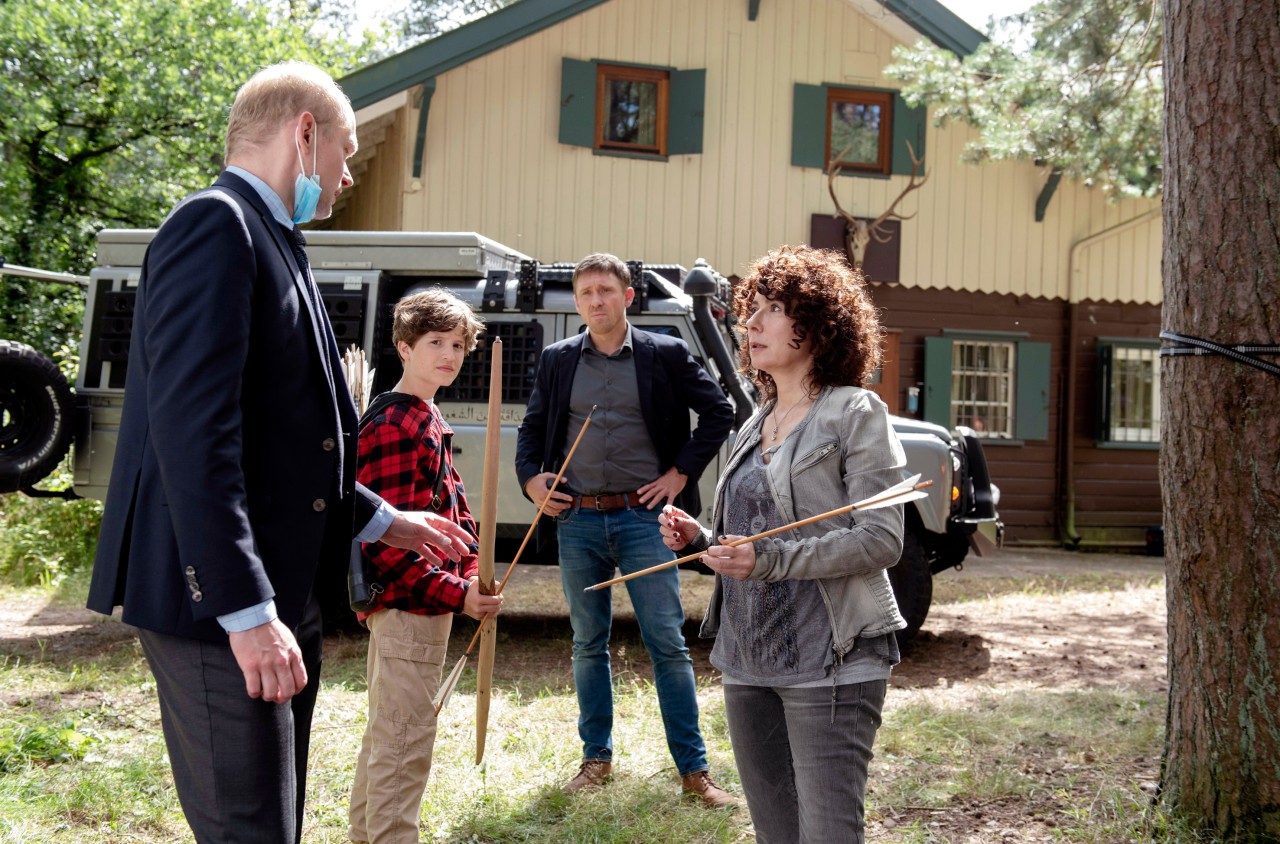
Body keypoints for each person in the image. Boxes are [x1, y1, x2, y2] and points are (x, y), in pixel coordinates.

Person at [86, 61, 474, 844]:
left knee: (276, 824)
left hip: (277, 597)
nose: (344, 175)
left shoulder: (277, 239)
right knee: (251, 829)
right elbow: (196, 436)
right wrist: (246, 611)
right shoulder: (214, 224)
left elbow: (290, 439)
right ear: (304, 134)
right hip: (223, 610)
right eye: (346, 151)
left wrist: (383, 520)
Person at [658, 245, 908, 843]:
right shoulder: (757, 419)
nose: (752, 324)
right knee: (775, 835)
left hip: (832, 659)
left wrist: (766, 559)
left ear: (818, 327)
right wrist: (705, 541)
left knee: (826, 834)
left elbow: (881, 538)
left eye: (774, 309)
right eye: (753, 310)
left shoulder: (854, 411)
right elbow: (758, 541)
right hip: (748, 658)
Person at [515, 252, 738, 807]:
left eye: (606, 291)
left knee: (667, 643)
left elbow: (720, 411)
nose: (596, 300)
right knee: (587, 643)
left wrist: (680, 472)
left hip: (645, 519)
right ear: (577, 299)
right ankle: (596, 762)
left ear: (627, 297)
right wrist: (531, 482)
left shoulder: (665, 353)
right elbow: (533, 430)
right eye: (586, 292)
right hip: (578, 520)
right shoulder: (557, 359)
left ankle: (695, 773)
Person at [348, 289, 505, 843]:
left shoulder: (427, 416)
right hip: (409, 607)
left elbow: (449, 520)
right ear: (403, 348)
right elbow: (387, 543)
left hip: (423, 607)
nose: (449, 354)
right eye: (435, 342)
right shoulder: (395, 424)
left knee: (392, 736)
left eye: (459, 344)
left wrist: (470, 575)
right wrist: (456, 594)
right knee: (404, 744)